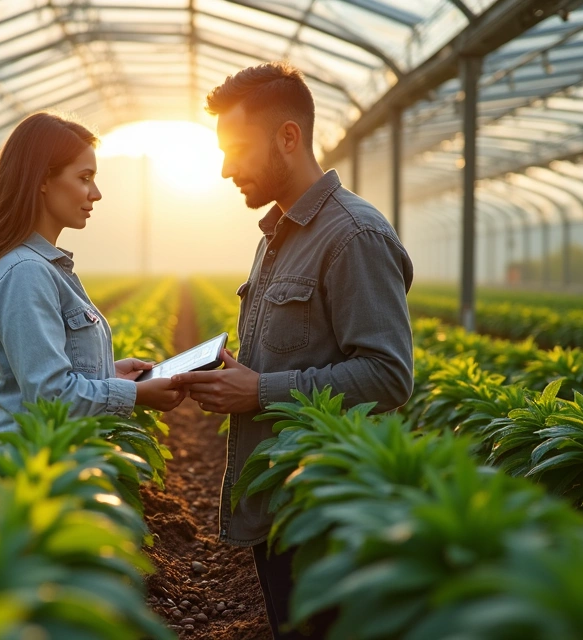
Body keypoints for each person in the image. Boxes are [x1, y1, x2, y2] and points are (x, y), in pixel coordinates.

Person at [171, 63, 415, 639]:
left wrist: (257, 391)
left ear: (288, 136)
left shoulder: (354, 236)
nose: (226, 168)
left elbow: (387, 376)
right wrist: (238, 378)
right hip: (278, 498)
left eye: (235, 149)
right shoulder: (279, 234)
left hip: (322, 512)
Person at [0, 112, 185, 434]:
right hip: (40, 472)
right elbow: (51, 398)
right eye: (84, 177)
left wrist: (108, 373)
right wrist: (134, 394)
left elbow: (51, 379)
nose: (96, 193)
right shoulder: (26, 273)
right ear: (42, 181)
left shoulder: (44, 268)